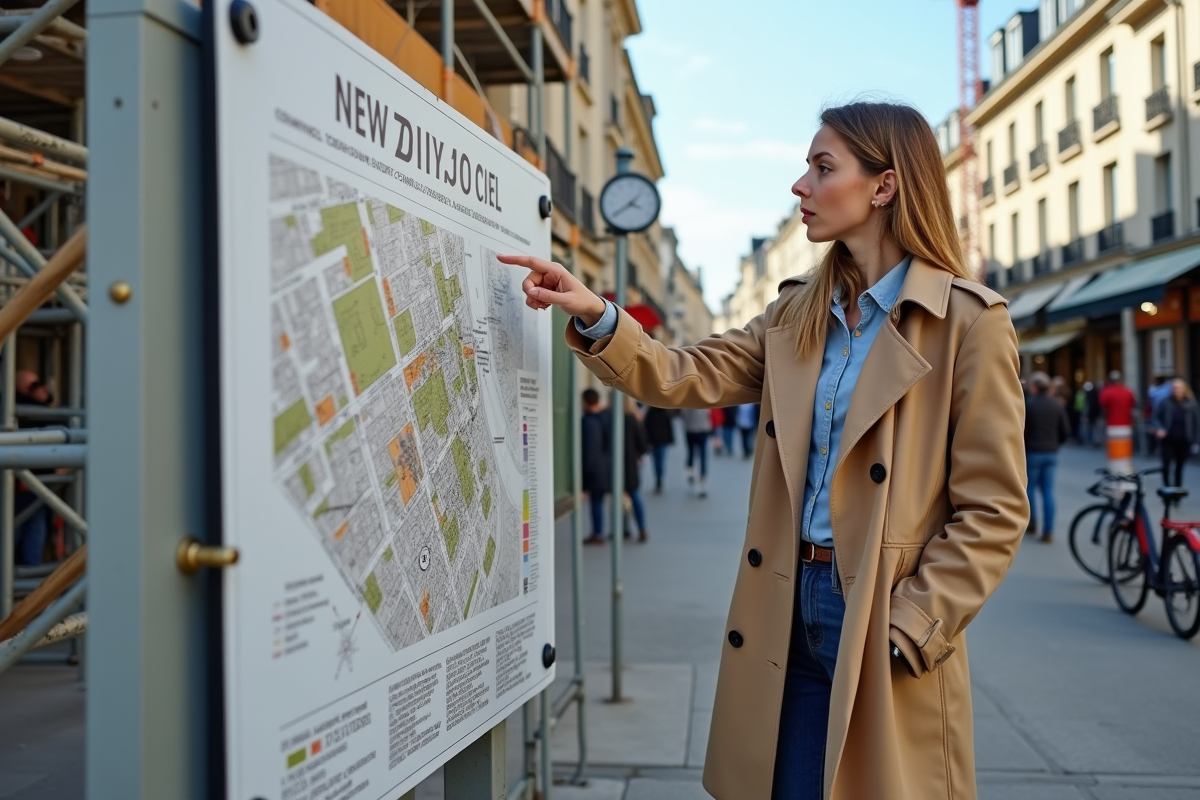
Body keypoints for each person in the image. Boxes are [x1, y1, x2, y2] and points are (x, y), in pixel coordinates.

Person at [501, 101, 1028, 800]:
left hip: (878, 611)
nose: (800, 186)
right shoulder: (795, 314)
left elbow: (994, 509)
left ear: (884, 186)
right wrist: (597, 313)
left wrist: (912, 624)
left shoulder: (968, 323)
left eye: (822, 167)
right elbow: (682, 371)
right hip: (787, 598)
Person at [1024, 372, 1071, 543]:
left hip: (1033, 452)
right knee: (1048, 491)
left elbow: (1023, 431)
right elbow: (1065, 431)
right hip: (1051, 452)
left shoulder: (1029, 406)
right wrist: (1056, 444)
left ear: (1035, 387)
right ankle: (1048, 530)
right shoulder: (1056, 406)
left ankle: (1032, 522)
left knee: (1030, 489)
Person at [14, 371, 52, 565]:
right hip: (24, 486)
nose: (43, 388)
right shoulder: (23, 409)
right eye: (34, 385)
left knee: (31, 534)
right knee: (26, 534)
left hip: (34, 485)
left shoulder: (34, 411)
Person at [1150, 378, 1200, 487]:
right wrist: (1159, 428)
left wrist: (1196, 441)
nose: (1176, 390)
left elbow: (1197, 423)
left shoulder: (1191, 404)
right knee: (1166, 467)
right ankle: (1167, 490)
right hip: (1168, 439)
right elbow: (1155, 418)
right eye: (1174, 388)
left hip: (1184, 439)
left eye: (1178, 388)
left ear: (1184, 389)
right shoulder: (1165, 402)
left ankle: (1177, 492)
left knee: (1179, 467)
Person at [579, 388, 610, 545]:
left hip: (595, 470)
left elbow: (589, 451)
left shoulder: (589, 422)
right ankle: (599, 532)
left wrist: (584, 479)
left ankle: (597, 533)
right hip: (604, 467)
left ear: (586, 401)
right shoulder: (604, 418)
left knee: (596, 502)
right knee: (599, 501)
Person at [622, 396, 651, 541]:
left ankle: (624, 527)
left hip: (616, 463)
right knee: (634, 494)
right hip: (631, 464)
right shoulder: (634, 420)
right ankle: (642, 527)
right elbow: (643, 444)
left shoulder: (610, 420)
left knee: (620, 496)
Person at [642, 405, 675, 494]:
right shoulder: (661, 414)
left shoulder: (651, 413)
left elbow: (646, 428)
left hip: (656, 441)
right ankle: (659, 479)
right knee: (659, 461)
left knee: (657, 461)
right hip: (658, 441)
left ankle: (659, 480)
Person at [680, 407, 711, 497]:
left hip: (694, 429)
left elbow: (683, 414)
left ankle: (694, 474)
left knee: (694, 453)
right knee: (700, 454)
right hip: (698, 429)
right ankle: (699, 476)